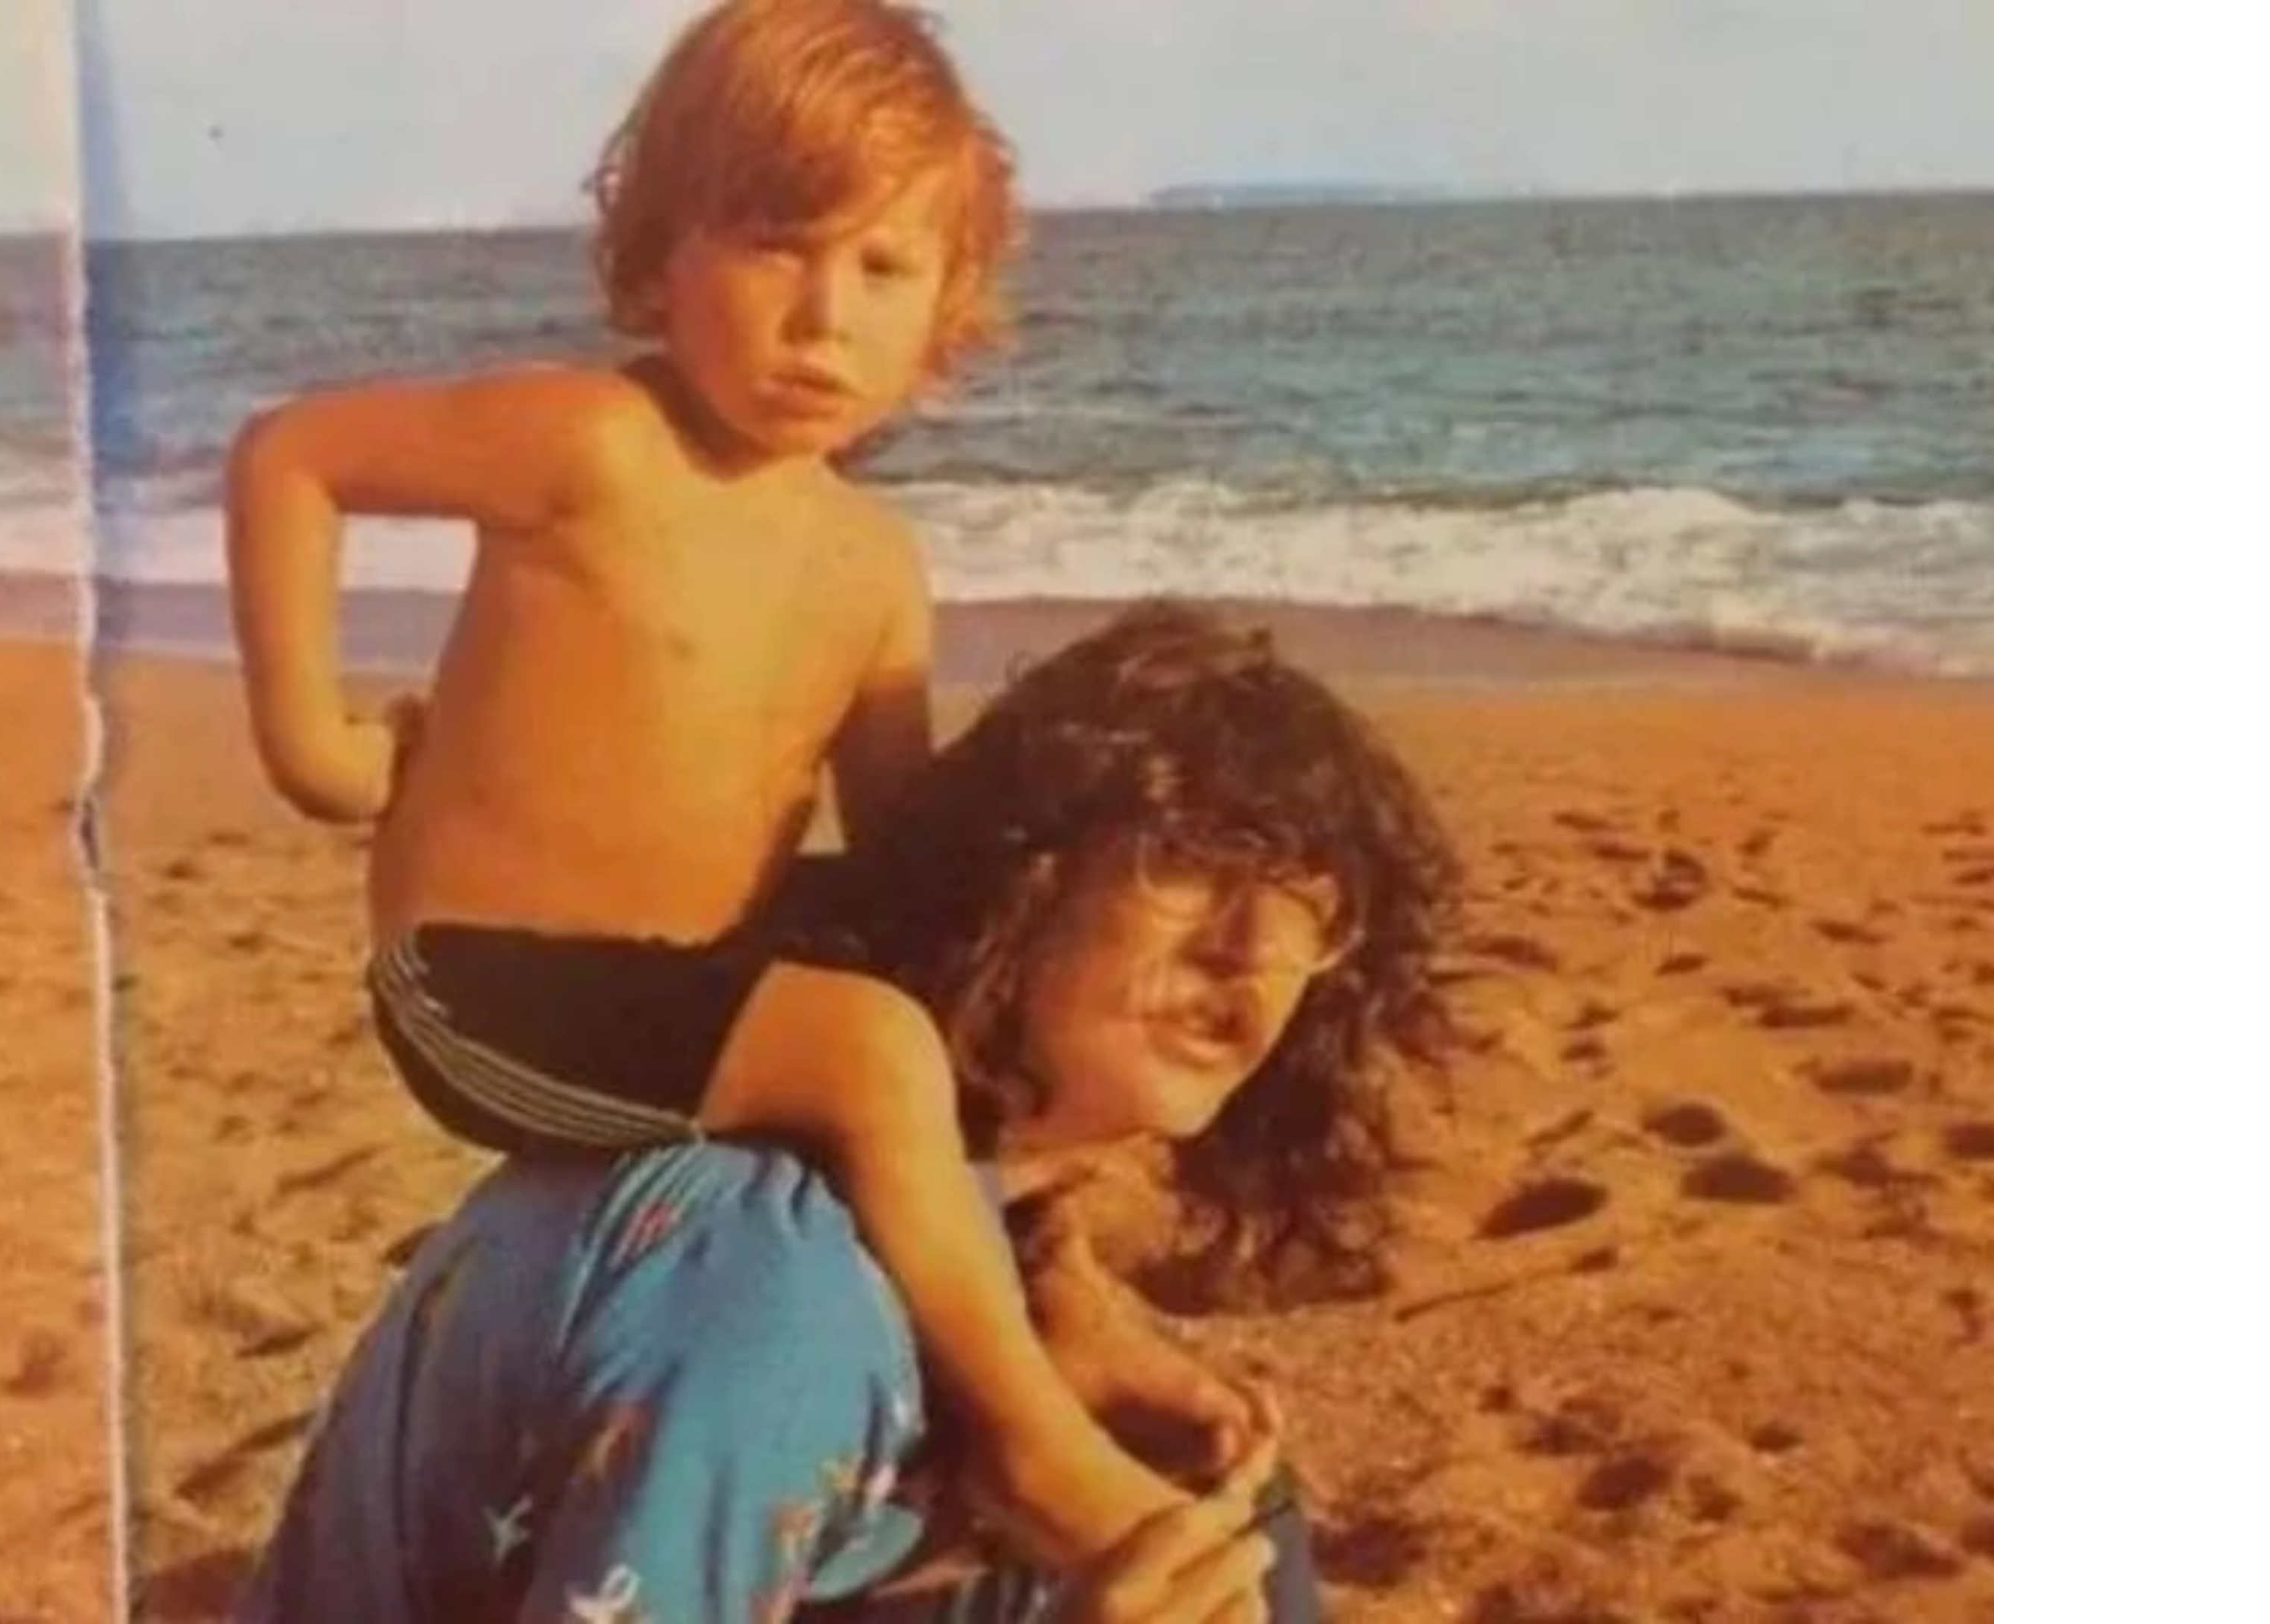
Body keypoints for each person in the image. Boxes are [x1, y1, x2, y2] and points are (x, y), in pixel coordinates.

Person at [222, 0, 1196, 1562]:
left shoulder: (873, 566)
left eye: (882, 268)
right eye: (772, 247)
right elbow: (292, 456)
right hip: (489, 992)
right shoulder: (595, 443)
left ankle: (1048, 1310)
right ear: (658, 256)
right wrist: (314, 747)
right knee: (875, 1050)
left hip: (690, 987)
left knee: (952, 1013)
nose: (823, 317)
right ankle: (1028, 1441)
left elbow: (903, 858)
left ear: (949, 305)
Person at [232, 602, 1466, 1621]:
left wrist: (1047, 1311)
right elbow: (439, 972)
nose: (1250, 950)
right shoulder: (769, 1273)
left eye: (1310, 904)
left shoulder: (968, 1235)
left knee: (1216, 1515)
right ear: (1032, 865)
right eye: (1193, 859)